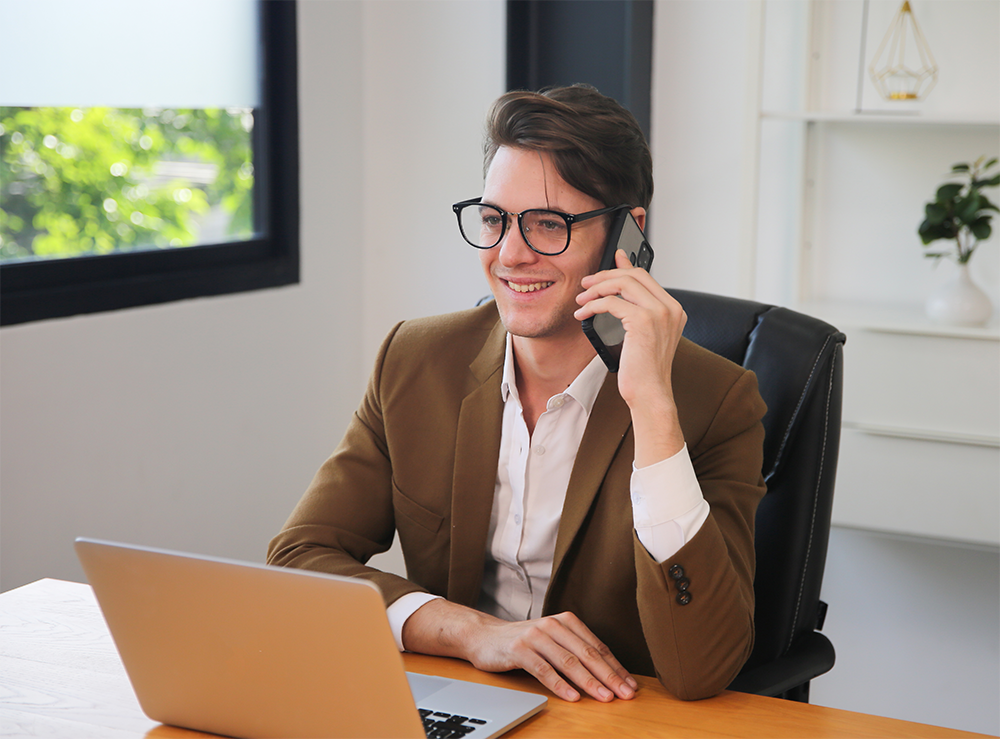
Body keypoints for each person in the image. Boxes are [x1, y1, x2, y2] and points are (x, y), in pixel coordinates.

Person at [267, 85, 767, 703]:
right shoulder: (416, 361)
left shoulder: (717, 402)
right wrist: (471, 632)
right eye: (494, 219)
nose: (509, 254)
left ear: (628, 233)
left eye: (549, 225)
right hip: (458, 697)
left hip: (612, 717)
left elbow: (702, 669)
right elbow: (300, 558)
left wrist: (653, 410)